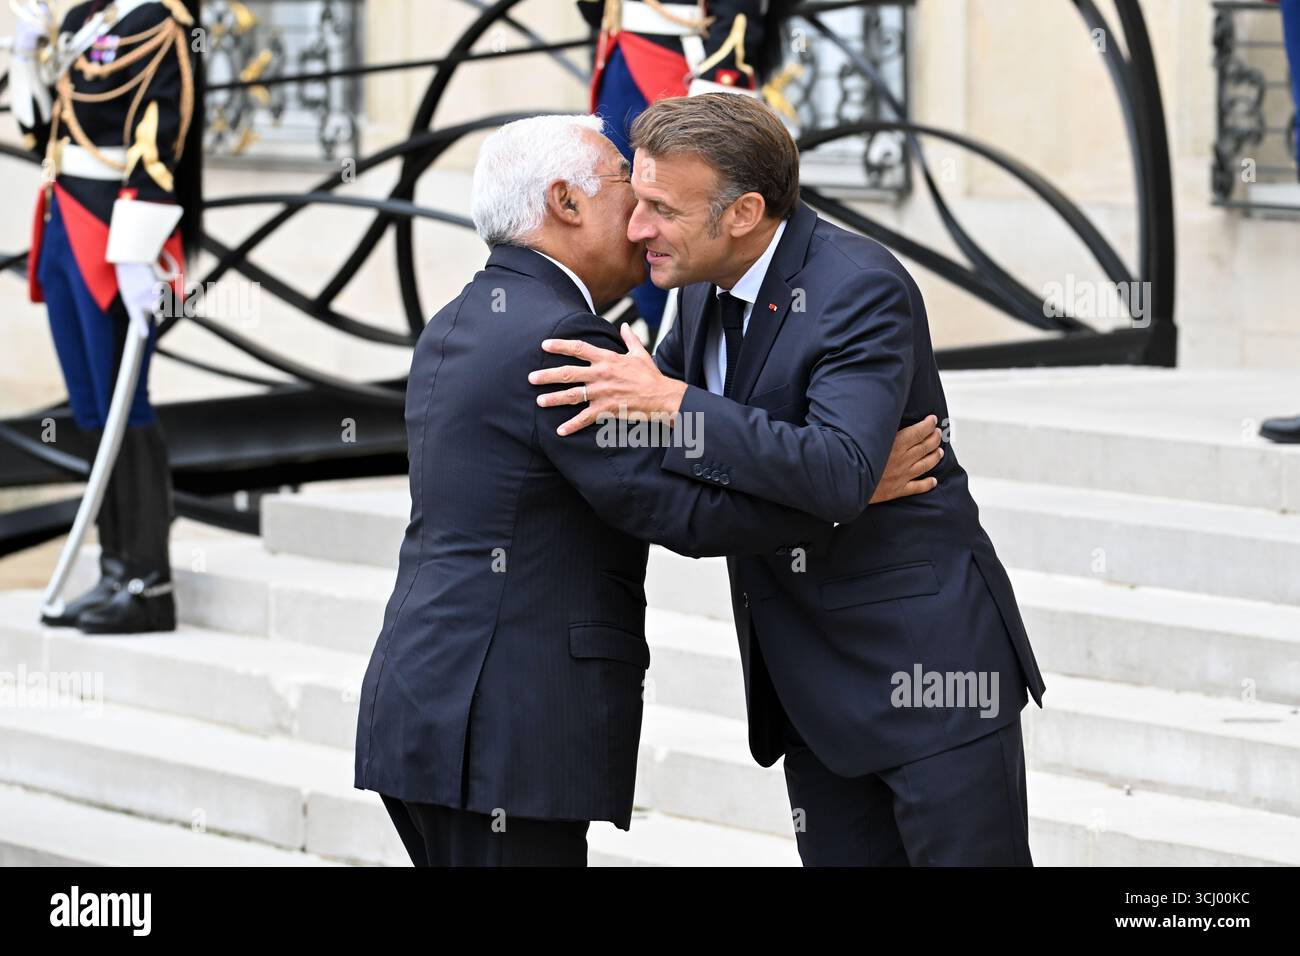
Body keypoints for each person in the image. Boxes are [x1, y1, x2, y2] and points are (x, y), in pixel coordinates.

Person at [353, 114, 937, 867]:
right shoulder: (563, 344)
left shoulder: (462, 317)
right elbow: (680, 508)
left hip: (426, 708)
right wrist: (851, 482)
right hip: (502, 729)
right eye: (631, 194)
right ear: (565, 202)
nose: (640, 222)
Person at [533, 93, 1046, 866]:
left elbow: (834, 470)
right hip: (807, 686)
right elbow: (690, 453)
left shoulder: (858, 287)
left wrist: (677, 403)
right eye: (636, 201)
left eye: (662, 210)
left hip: (926, 671)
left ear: (742, 212)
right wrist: (690, 419)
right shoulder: (700, 282)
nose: (638, 230)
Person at [9, 0, 203, 633]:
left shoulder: (158, 21)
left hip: (112, 233)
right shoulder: (80, 22)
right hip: (63, 220)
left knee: (129, 408)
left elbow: (160, 138)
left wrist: (136, 247)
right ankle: (116, 567)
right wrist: (27, 64)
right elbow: (47, 131)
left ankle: (151, 584)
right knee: (92, 407)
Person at [578, 0, 792, 339]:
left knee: (691, 222)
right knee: (634, 219)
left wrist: (719, 82)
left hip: (679, 67)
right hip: (622, 55)